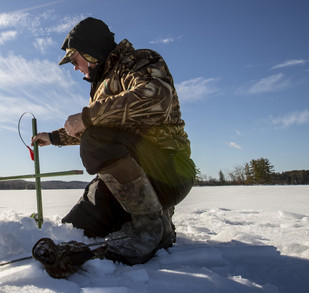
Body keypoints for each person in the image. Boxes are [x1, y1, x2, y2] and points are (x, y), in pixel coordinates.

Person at [31, 17, 196, 277]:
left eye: (75, 60)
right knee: (75, 228)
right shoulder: (100, 88)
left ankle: (149, 226)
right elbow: (92, 128)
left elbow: (157, 99)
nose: (75, 68)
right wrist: (54, 137)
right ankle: (149, 221)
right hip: (125, 180)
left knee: (96, 137)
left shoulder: (140, 62)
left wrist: (87, 117)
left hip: (167, 170)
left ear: (90, 51)